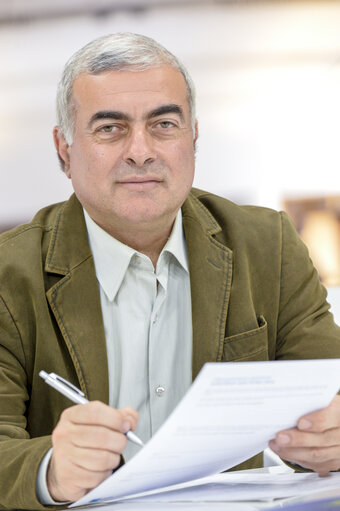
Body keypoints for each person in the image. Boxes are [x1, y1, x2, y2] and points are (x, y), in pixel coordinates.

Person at [0, 32, 340, 510]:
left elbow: (329, 392)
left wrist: (328, 440)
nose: (141, 151)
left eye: (163, 124)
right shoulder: (7, 276)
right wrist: (51, 470)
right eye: (110, 128)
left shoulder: (269, 246)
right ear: (64, 150)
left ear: (193, 138)